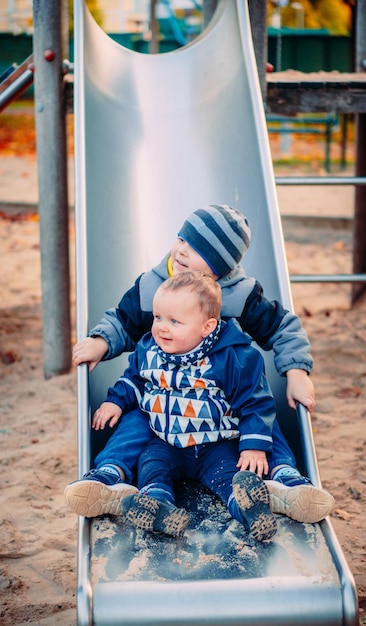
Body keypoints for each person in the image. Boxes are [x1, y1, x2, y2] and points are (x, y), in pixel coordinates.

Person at [65, 204, 335, 523]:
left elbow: (282, 328)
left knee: (259, 409)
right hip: (164, 411)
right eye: (181, 239)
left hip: (218, 412)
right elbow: (124, 321)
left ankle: (284, 479)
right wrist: (101, 341)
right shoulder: (154, 287)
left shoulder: (240, 297)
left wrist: (296, 372)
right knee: (135, 418)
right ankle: (111, 477)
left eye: (195, 249)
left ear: (218, 269)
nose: (181, 251)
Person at [89, 271, 279, 541]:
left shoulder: (229, 357)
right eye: (158, 317)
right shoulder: (149, 349)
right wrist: (115, 401)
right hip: (166, 442)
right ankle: (159, 508)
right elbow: (134, 378)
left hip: (214, 444)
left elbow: (255, 400)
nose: (161, 327)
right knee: (151, 465)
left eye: (174, 321)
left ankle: (250, 511)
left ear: (207, 327)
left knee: (228, 477)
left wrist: (254, 446)